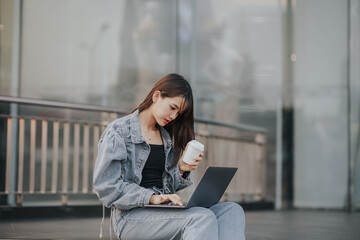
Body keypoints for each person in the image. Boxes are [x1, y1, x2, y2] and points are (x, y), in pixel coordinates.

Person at [93, 73, 246, 240]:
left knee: (231, 210)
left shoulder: (165, 137)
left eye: (178, 113)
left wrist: (180, 170)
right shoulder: (119, 132)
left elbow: (166, 186)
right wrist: (152, 198)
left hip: (163, 213)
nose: (173, 117)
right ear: (156, 96)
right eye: (173, 108)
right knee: (201, 217)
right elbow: (106, 186)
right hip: (131, 217)